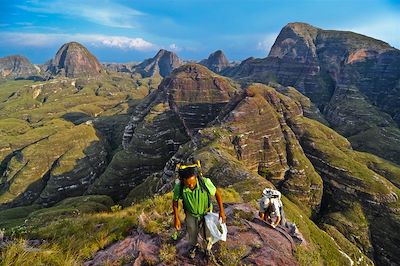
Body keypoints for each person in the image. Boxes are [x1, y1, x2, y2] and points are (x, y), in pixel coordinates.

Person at [172, 161, 226, 259]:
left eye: (193, 183)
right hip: (191, 213)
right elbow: (175, 201)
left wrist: (222, 211)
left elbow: (217, 193)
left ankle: (207, 249)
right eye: (188, 184)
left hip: (205, 212)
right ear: (183, 180)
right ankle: (194, 246)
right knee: (192, 231)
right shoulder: (179, 187)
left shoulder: (205, 182)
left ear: (196, 178)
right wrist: (176, 218)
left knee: (207, 232)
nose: (191, 185)